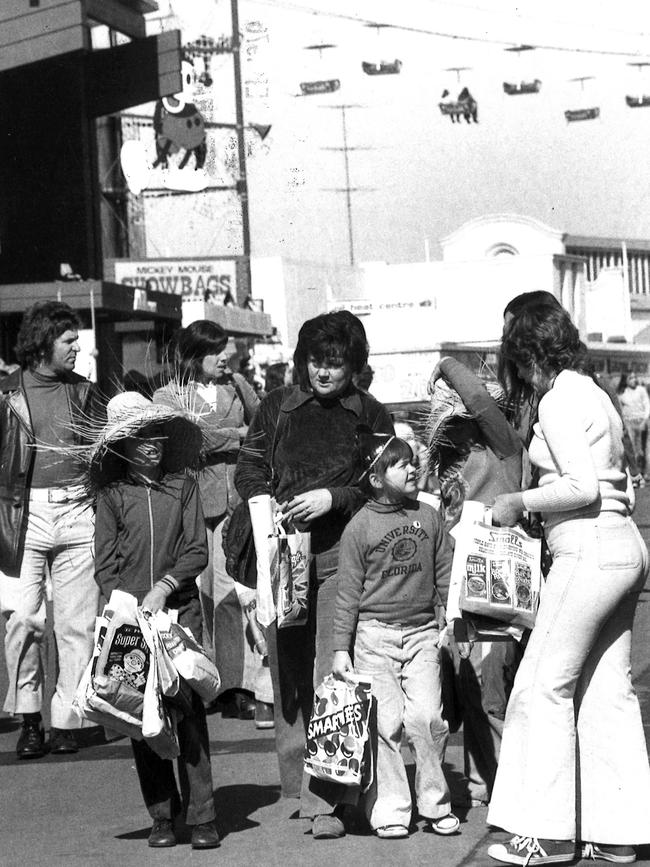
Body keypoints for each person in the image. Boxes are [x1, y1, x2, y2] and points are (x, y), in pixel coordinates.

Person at [486, 303, 650, 865]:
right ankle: (618, 831)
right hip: (624, 545)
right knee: (609, 692)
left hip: (584, 547)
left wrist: (518, 502)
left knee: (540, 685)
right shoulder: (597, 393)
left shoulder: (557, 399)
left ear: (526, 355)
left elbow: (579, 486)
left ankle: (548, 833)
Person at [235, 310, 394, 839]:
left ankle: (325, 799)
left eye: (336, 363)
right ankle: (293, 787)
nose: (324, 373)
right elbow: (249, 465)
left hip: (343, 559)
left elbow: (381, 488)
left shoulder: (370, 414)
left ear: (354, 365)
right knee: (288, 677)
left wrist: (334, 497)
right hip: (282, 555)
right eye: (315, 362)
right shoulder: (278, 407)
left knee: (332, 674)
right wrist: (269, 508)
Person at [92, 391, 220, 850]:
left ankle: (203, 814)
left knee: (187, 709)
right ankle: (162, 815)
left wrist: (164, 587)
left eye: (156, 434)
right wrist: (125, 609)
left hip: (179, 613)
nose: (151, 443)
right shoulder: (111, 496)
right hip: (131, 621)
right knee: (142, 714)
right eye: (139, 436)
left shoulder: (183, 486)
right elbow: (104, 563)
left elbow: (197, 550)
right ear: (121, 446)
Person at [332, 430, 457, 839]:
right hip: (373, 637)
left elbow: (445, 574)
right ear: (375, 478)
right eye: (399, 463)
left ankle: (435, 803)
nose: (411, 468)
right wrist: (340, 649)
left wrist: (451, 624)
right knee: (385, 723)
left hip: (422, 633)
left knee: (426, 718)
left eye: (411, 461)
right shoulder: (358, 528)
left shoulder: (429, 515)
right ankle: (391, 809)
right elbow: (348, 594)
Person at [0, 301, 101, 758]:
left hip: (80, 512)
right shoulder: (7, 395)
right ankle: (28, 716)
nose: (78, 347)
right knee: (23, 619)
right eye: (69, 340)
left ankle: (66, 721)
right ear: (43, 343)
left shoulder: (86, 392)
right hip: (21, 516)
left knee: (76, 624)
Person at [153, 321, 267, 725]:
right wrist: (233, 435)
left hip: (233, 501)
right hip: (186, 501)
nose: (226, 358)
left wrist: (239, 432)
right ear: (193, 354)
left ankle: (236, 685)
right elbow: (186, 438)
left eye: (226, 350)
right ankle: (198, 679)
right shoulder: (167, 395)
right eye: (216, 351)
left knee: (229, 591)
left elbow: (261, 426)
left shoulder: (236, 386)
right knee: (192, 594)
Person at [426, 356, 526, 808]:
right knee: (460, 686)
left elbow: (480, 399)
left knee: (493, 691)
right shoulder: (442, 462)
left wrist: (447, 364)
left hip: (499, 584)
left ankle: (512, 785)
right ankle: (482, 782)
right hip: (453, 590)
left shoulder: (503, 446)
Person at [617, 371, 650, 478]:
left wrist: (644, 420)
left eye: (635, 377)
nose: (634, 380)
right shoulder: (622, 393)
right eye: (631, 378)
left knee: (644, 449)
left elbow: (647, 405)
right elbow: (620, 409)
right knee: (632, 449)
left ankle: (646, 472)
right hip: (628, 423)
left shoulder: (641, 390)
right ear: (625, 380)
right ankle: (636, 473)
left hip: (641, 421)